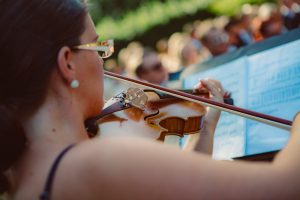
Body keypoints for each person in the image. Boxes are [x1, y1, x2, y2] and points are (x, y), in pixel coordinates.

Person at [0, 1, 300, 200]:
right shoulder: (94, 162)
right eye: (97, 46)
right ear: (68, 63)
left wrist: (205, 126)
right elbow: (284, 186)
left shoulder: (27, 178)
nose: (104, 61)